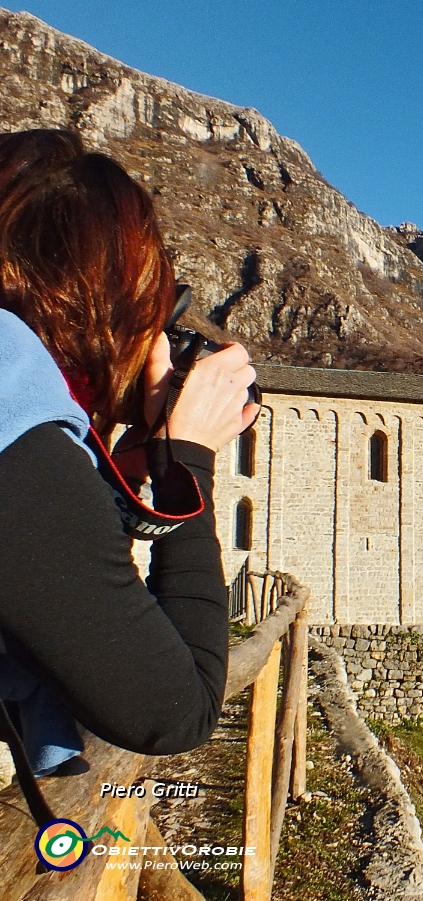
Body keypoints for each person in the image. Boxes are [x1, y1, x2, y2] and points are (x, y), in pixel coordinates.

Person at [0, 129, 258, 772]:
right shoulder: (14, 426)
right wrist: (186, 462)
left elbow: (71, 604)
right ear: (98, 299)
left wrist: (102, 480)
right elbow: (175, 709)